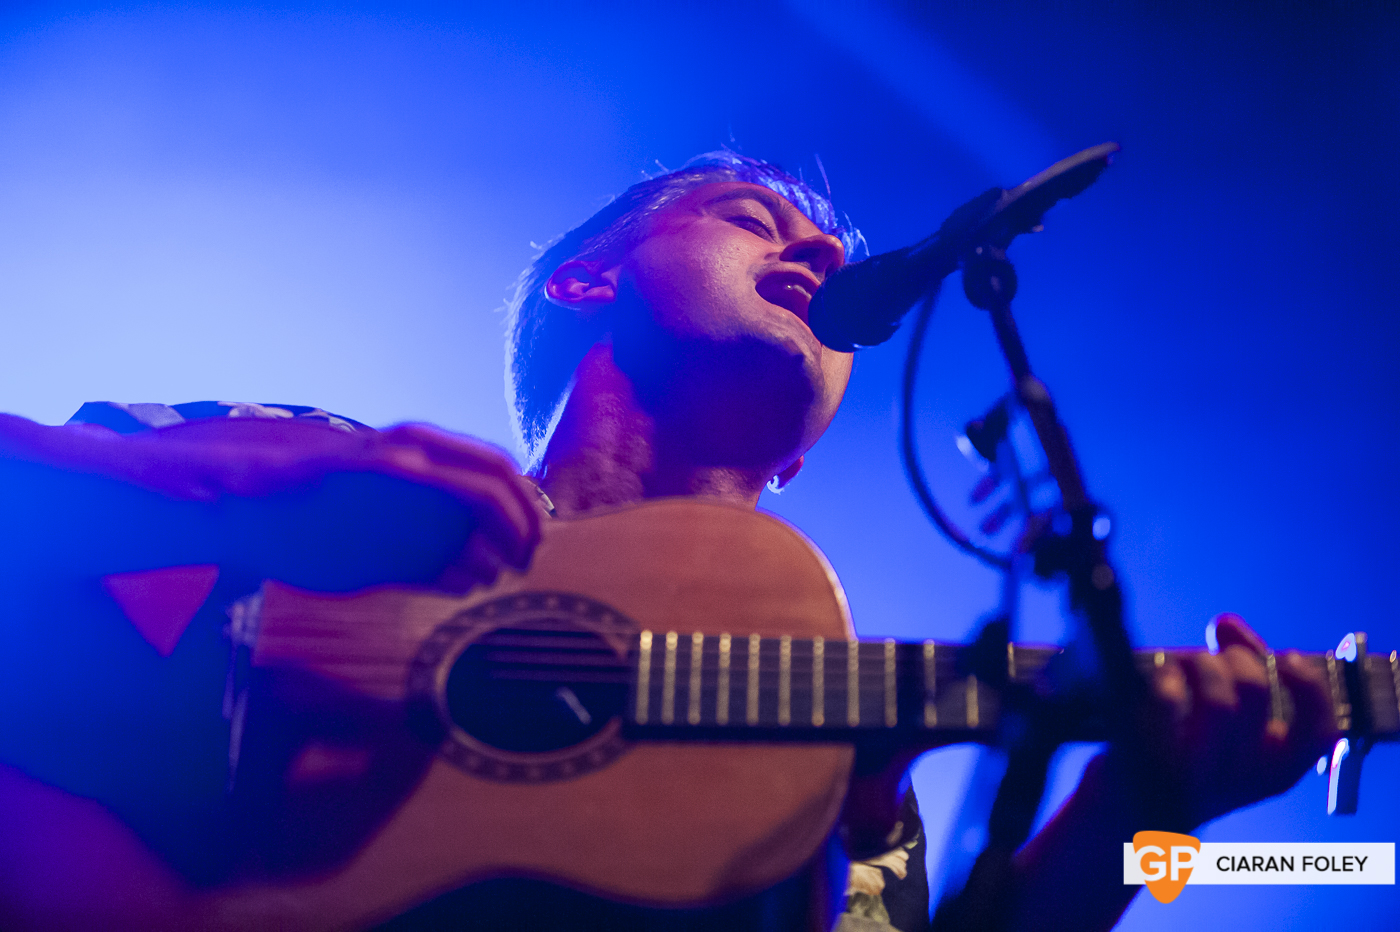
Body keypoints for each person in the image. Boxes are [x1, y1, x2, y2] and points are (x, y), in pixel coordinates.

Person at [0, 152, 1336, 931]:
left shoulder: (844, 783)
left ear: (803, 446)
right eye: (760, 219)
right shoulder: (305, 455)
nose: (816, 248)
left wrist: (1124, 826)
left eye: (823, 251)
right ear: (587, 280)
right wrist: (233, 497)